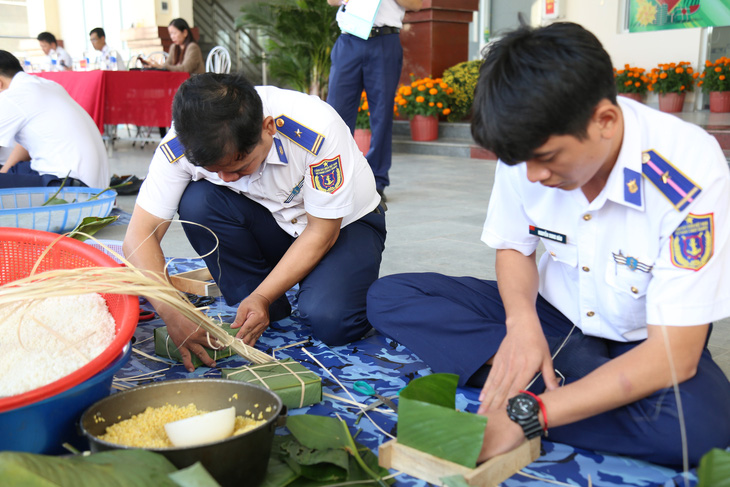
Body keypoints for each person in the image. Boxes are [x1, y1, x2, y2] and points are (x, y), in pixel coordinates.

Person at [366, 22, 730, 467]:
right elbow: (513, 247)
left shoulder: (688, 172)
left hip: (642, 336)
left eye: (548, 159)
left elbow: (673, 355)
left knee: (700, 429)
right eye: (523, 163)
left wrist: (530, 415)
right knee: (392, 295)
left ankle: (537, 388)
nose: (535, 177)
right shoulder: (526, 145)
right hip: (552, 317)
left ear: (605, 121)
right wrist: (520, 322)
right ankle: (581, 384)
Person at [123, 73, 386, 372]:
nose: (227, 179)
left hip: (343, 226)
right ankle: (264, 304)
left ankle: (286, 291)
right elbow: (137, 237)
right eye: (216, 171)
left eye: (239, 167)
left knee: (332, 321)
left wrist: (262, 293)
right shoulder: (185, 143)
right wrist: (172, 310)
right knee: (199, 201)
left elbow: (322, 232)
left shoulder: (317, 129)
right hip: (273, 222)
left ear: (268, 128)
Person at [326, 0, 423, 201]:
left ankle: (376, 182)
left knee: (382, 114)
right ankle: (336, 178)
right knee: (336, 115)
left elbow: (416, 4)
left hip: (384, 41)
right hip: (349, 40)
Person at [0, 50, 109, 189]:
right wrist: (4, 173)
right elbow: (26, 145)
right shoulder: (47, 85)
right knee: (14, 171)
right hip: (92, 187)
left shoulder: (11, 97)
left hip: (68, 188)